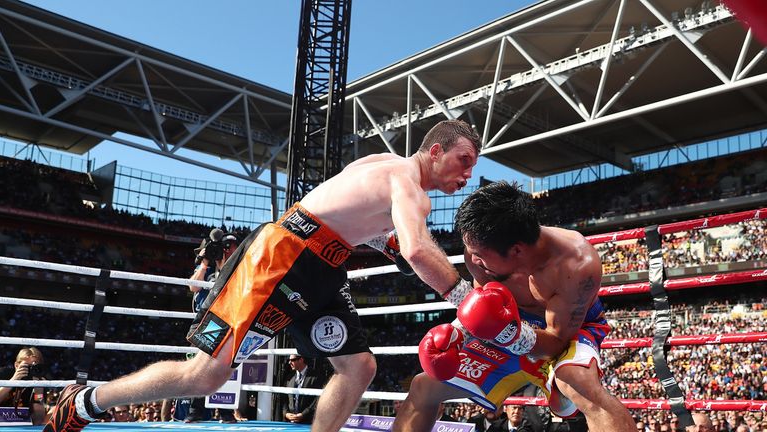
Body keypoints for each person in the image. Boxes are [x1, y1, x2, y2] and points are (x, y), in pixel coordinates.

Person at [44, 119, 481, 432]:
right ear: (435, 150)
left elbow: (348, 214)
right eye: (463, 160)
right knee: (206, 376)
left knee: (358, 366)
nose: (467, 174)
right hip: (281, 258)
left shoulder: (381, 164)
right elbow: (417, 248)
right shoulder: (407, 185)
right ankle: (85, 401)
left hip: (322, 266)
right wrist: (466, 299)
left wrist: (385, 241)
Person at [392, 181, 636, 432]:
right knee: (424, 386)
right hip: (506, 326)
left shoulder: (575, 264)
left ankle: (561, 386)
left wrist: (510, 333)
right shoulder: (479, 255)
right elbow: (481, 308)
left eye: (479, 254)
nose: (473, 259)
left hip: (565, 333)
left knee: (582, 386)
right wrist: (458, 334)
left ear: (517, 250)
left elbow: (556, 340)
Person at [182, 231, 239, 423]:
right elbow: (193, 287)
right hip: (204, 320)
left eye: (231, 246)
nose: (229, 249)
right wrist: (205, 262)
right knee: (198, 366)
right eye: (226, 246)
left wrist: (224, 263)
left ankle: (225, 412)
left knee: (224, 367)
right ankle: (195, 410)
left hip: (225, 319)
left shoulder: (235, 267)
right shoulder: (204, 270)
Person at [0, 347, 48, 425]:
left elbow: (37, 420)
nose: (30, 369)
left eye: (34, 367)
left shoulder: (39, 381)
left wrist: (38, 393)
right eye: (27, 366)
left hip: (23, 425)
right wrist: (12, 381)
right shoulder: (3, 374)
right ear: (16, 365)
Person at [283, 355, 324, 424]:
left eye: (292, 360)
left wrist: (303, 414)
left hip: (308, 422)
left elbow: (317, 399)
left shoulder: (316, 376)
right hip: (290, 422)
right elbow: (284, 398)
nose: (289, 362)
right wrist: (286, 413)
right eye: (289, 360)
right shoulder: (289, 377)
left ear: (301, 360)